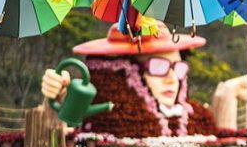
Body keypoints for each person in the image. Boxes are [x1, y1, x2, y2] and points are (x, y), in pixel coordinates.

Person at [41, 21, 216, 138]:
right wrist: (60, 93)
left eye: (178, 68)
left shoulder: (199, 119)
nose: (172, 80)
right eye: (158, 67)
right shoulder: (102, 122)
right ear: (122, 74)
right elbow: (59, 128)